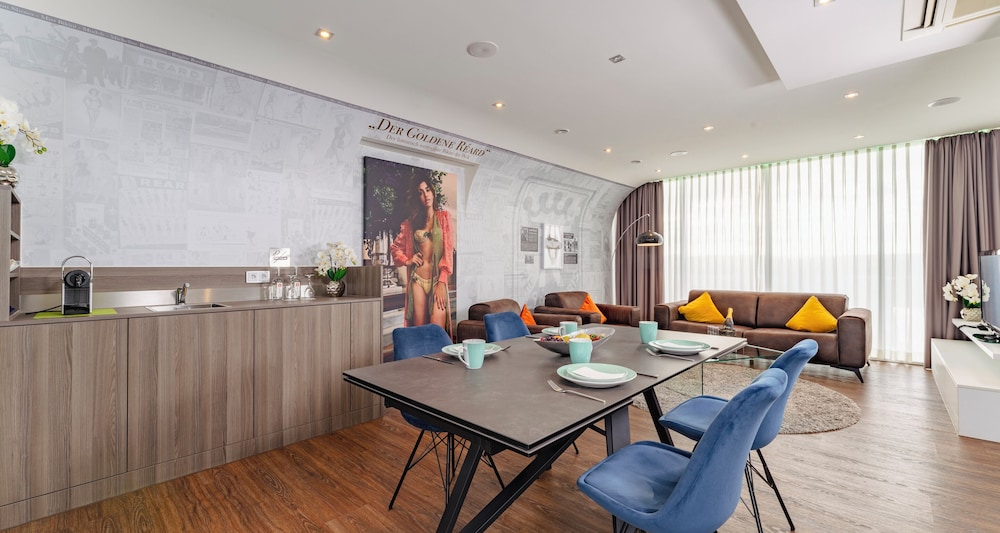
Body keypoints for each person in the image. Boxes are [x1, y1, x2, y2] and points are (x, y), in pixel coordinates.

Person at [390, 177, 454, 332]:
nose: (426, 195)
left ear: (433, 191)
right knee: (420, 332)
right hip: (417, 280)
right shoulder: (410, 224)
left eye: (427, 190)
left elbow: (448, 252)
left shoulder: (444, 218)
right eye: (420, 193)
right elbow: (395, 248)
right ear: (417, 198)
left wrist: (442, 282)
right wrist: (407, 260)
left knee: (436, 331)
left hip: (437, 280)